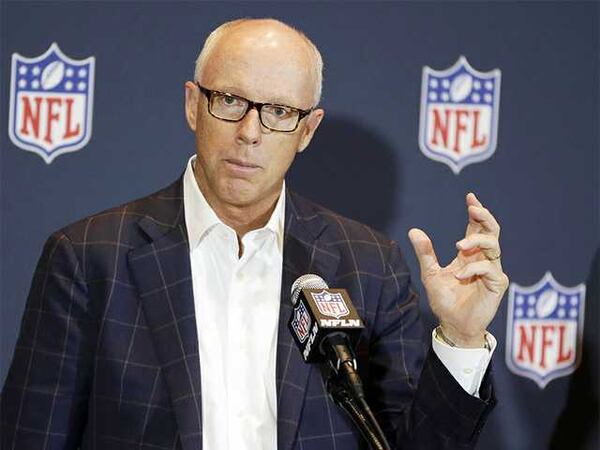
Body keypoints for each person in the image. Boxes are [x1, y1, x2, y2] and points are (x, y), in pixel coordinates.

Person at [0, 18, 509, 450]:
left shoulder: (369, 264)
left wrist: (462, 338)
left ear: (307, 131)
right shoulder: (90, 257)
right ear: (193, 105)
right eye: (229, 100)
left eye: (280, 112)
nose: (250, 131)